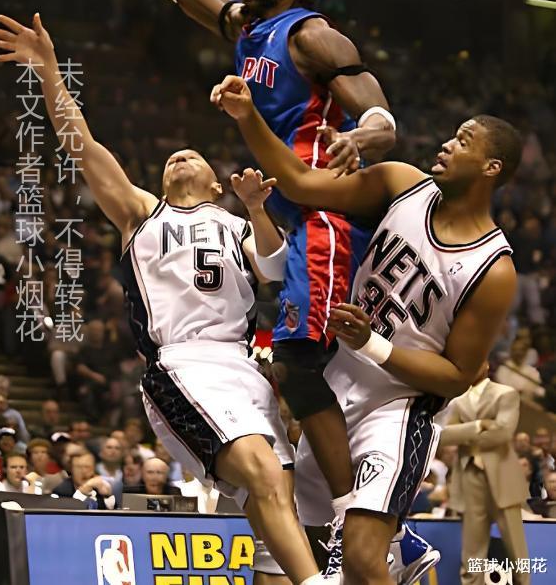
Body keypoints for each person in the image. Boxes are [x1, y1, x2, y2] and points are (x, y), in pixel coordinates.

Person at [64, 0, 396, 547]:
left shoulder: (310, 33)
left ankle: (365, 522)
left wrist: (362, 135)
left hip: (326, 213)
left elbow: (378, 112)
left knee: (299, 365)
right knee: (306, 370)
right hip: (294, 218)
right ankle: (352, 519)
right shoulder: (249, 29)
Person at [0, 14, 325, 585]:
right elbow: (82, 145)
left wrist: (257, 209)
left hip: (244, 368)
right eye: (172, 158)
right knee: (266, 477)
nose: (178, 158)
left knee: (275, 514)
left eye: (193, 155)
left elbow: (274, 271)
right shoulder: (141, 213)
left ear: (216, 183)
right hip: (182, 363)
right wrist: (48, 71)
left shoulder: (236, 223)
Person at [211, 75, 522, 585]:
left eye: (464, 141)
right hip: (337, 386)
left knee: (359, 555)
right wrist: (249, 116)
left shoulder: (494, 267)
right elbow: (301, 183)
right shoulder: (402, 183)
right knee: (306, 554)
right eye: (453, 135)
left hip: (398, 408)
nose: (447, 144)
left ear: (492, 167)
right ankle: (402, 545)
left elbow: (457, 376)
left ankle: (397, 543)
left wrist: (372, 344)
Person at [440, 376, 530, 585]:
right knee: (472, 552)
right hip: (469, 475)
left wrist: (463, 436)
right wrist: (479, 425)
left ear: (487, 365)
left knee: (517, 551)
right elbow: (443, 436)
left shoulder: (505, 393)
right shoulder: (458, 400)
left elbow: (503, 433)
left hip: (503, 478)